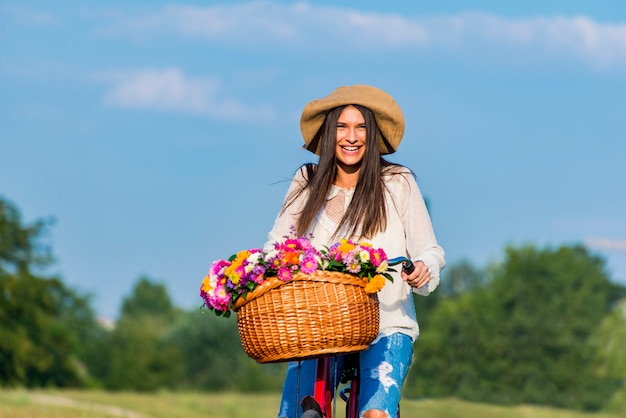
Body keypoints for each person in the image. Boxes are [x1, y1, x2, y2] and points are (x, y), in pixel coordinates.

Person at [266, 84, 445, 418]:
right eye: (342, 127)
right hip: (320, 327)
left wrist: (422, 268)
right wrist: (262, 271)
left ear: (372, 134)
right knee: (299, 412)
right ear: (329, 132)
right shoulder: (307, 180)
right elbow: (277, 245)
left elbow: (430, 251)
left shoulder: (397, 182)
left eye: (361, 127)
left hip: (387, 323)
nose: (352, 137)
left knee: (376, 414)